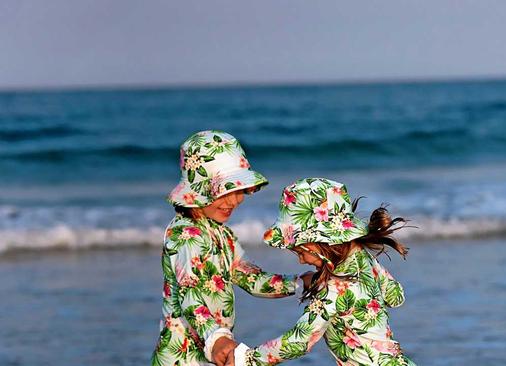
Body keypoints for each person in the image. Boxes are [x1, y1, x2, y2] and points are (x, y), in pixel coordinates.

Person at [215, 178, 416, 366]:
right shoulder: (364, 258)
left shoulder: (333, 290)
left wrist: (247, 358)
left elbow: (299, 341)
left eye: (300, 252)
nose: (301, 260)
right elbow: (396, 296)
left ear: (319, 242)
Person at [151, 131, 310, 366]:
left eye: (239, 191)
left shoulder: (222, 234)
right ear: (200, 190)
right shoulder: (185, 234)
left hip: (212, 349)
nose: (235, 201)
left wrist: (299, 283)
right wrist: (216, 339)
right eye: (226, 192)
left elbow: (250, 278)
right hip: (181, 356)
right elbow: (189, 294)